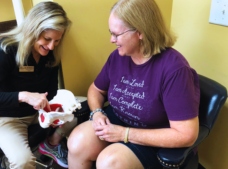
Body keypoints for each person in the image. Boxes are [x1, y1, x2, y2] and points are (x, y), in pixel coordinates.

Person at [67, 0, 200, 168]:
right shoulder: (118, 57)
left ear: (140, 32)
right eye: (111, 33)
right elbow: (96, 90)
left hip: (153, 139)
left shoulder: (175, 69)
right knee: (77, 141)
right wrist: (98, 113)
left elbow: (186, 135)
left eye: (116, 34)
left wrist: (124, 134)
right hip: (117, 123)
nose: (111, 40)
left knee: (109, 162)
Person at [0, 2, 73, 169]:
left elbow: (51, 91)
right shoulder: (6, 50)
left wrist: (52, 108)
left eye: (57, 40)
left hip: (36, 112)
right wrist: (24, 96)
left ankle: (50, 145)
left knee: (74, 117)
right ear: (32, 29)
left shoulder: (51, 54)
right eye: (47, 39)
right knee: (23, 161)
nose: (51, 46)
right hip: (6, 117)